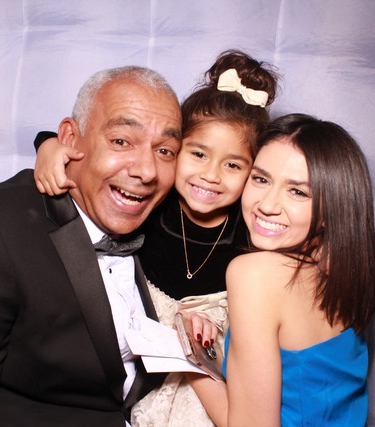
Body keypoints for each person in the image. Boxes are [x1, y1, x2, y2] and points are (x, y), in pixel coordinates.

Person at [0, 65, 216, 426]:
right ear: (70, 139)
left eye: (165, 151)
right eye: (121, 141)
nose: (147, 171)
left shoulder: (165, 222)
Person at [33, 50, 280, 426]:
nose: (211, 175)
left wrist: (211, 324)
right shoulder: (151, 204)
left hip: (209, 385)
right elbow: (77, 145)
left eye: (233, 165)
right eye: (198, 154)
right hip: (135, 369)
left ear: (253, 172)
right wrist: (50, 148)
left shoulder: (249, 235)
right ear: (173, 151)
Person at [187, 113, 375, 426]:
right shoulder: (348, 270)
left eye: (298, 192)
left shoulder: (255, 274)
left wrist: (189, 361)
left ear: (333, 206)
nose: (267, 205)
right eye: (261, 179)